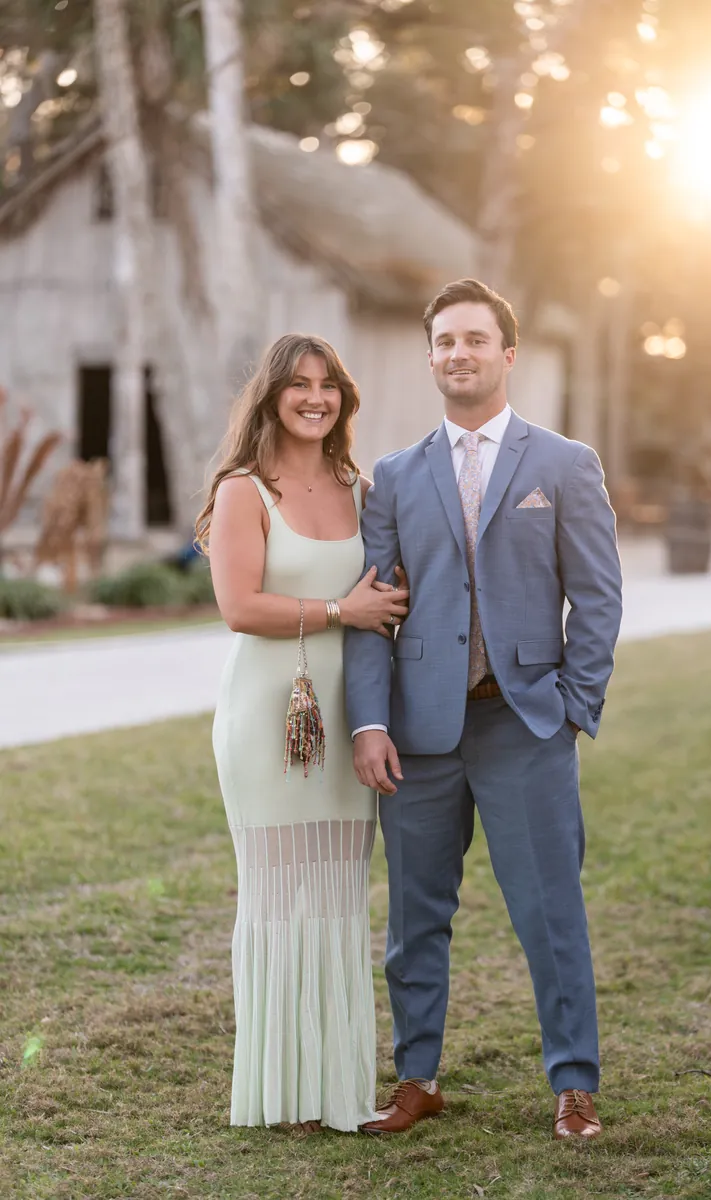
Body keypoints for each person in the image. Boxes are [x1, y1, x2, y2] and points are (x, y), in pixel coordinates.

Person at [344, 279, 623, 1140]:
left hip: (526, 724)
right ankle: (416, 1078)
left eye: (473, 339)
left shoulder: (564, 464)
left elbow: (598, 597)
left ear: (507, 353)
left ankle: (573, 1084)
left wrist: (573, 705)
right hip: (419, 735)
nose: (458, 353)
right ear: (429, 358)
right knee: (414, 917)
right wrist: (370, 722)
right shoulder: (394, 477)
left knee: (550, 913)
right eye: (444, 341)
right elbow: (374, 611)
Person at [196, 333, 409, 1133]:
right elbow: (239, 607)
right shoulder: (244, 490)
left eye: (328, 385)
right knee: (277, 897)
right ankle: (281, 1094)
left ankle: (331, 1087)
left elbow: (386, 595)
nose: (315, 398)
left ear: (342, 398)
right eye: (299, 384)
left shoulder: (361, 489)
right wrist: (340, 611)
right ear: (272, 395)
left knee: (338, 899)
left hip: (348, 718)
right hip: (267, 718)